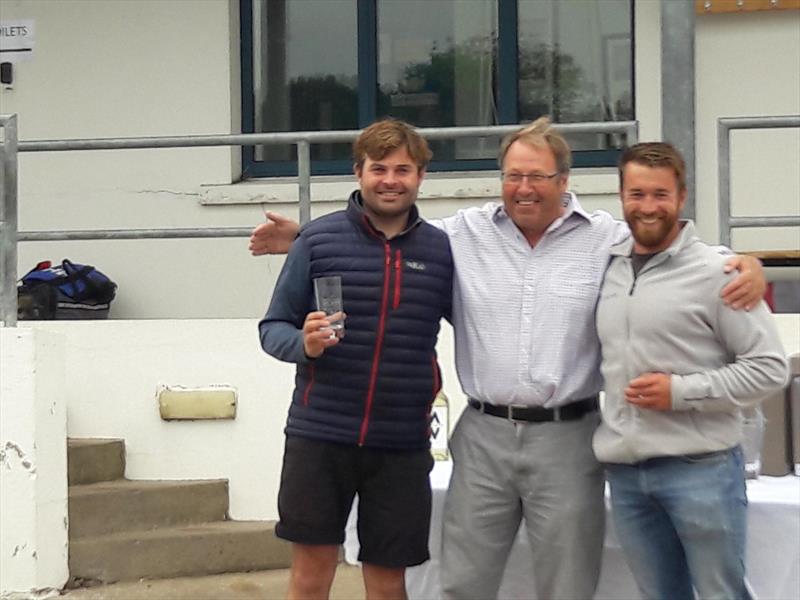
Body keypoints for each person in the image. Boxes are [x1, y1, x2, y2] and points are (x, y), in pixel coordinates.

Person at [250, 118, 766, 600]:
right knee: (462, 584)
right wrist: (304, 238)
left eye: (538, 176)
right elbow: (386, 235)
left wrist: (746, 262)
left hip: (570, 438)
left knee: (568, 585)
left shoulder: (607, 237)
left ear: (564, 180)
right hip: (482, 437)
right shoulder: (461, 235)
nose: (524, 188)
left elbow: (666, 233)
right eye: (514, 175)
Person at [258, 118, 453, 600]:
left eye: (403, 169)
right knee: (311, 575)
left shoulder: (441, 250)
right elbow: (272, 328)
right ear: (358, 172)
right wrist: (303, 343)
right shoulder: (317, 241)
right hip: (320, 434)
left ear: (421, 176)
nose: (391, 180)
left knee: (388, 582)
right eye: (379, 168)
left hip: (401, 443)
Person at [592, 142, 787, 600]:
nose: (648, 207)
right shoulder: (607, 267)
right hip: (626, 475)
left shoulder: (719, 273)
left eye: (660, 195)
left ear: (681, 197)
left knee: (721, 594)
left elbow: (769, 369)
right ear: (621, 196)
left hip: (701, 470)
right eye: (637, 194)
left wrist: (681, 392)